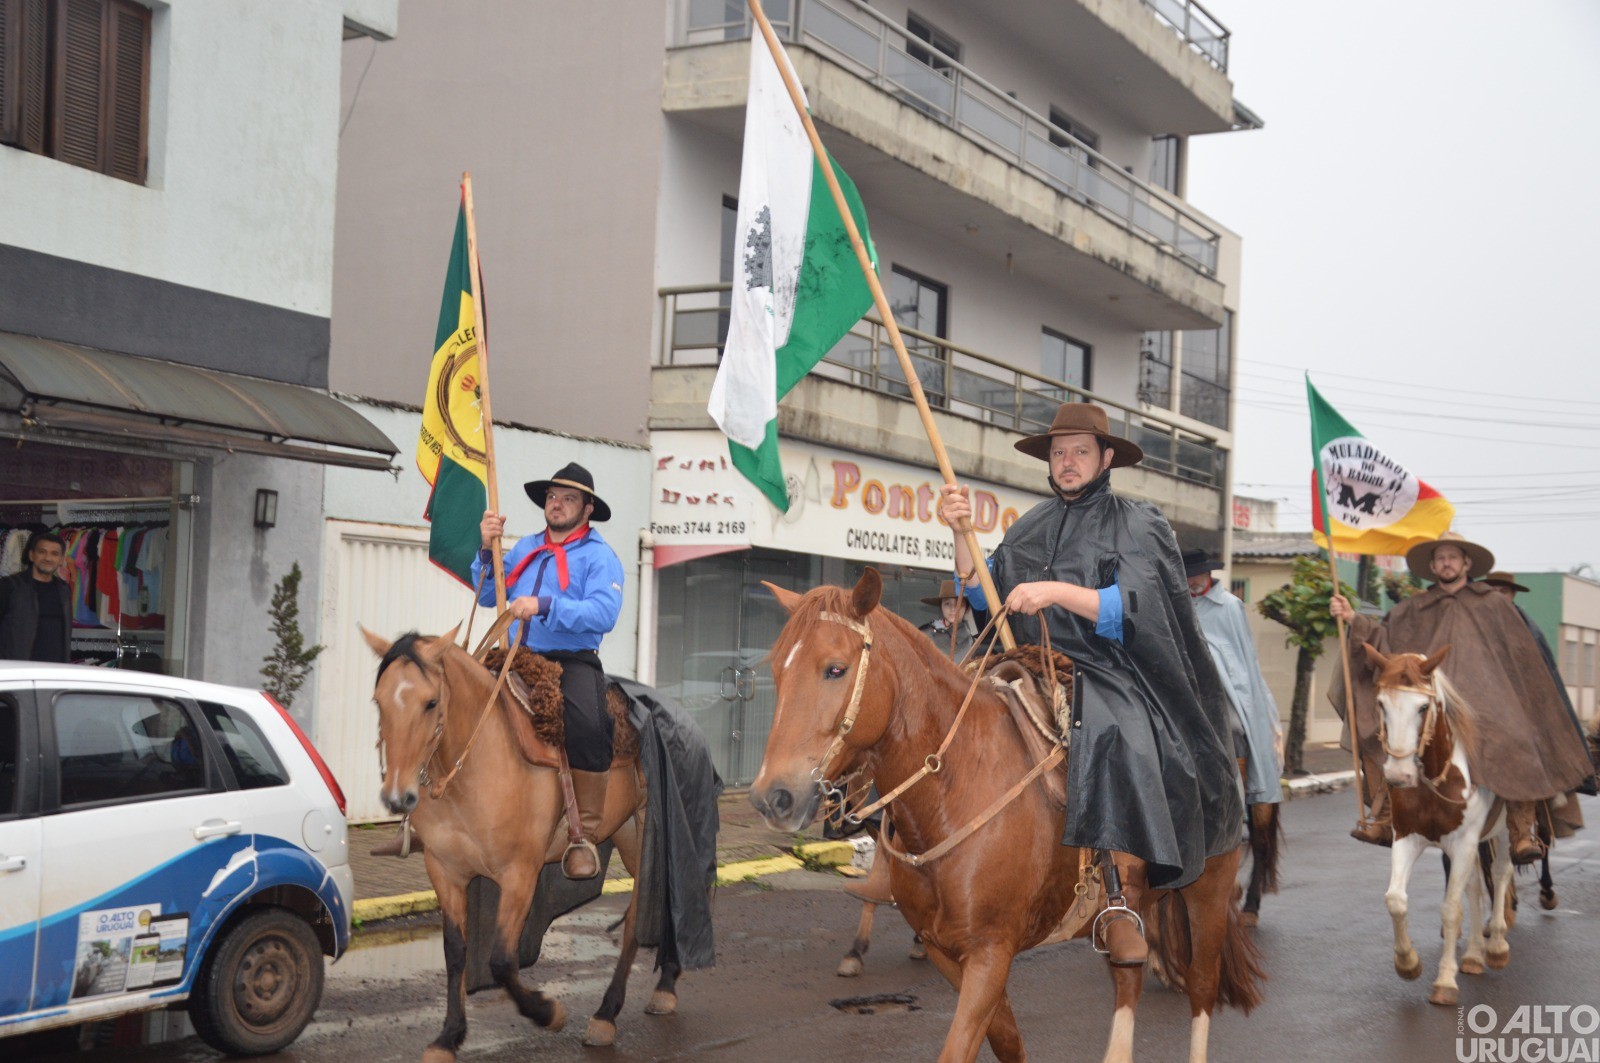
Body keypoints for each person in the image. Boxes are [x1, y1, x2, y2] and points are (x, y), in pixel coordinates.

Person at [938, 403, 1243, 967]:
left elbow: (1137, 607)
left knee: (1117, 728)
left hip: (1111, 669)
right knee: (943, 710)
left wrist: (1054, 591)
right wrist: (961, 536)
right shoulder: (1028, 525)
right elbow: (984, 599)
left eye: (1080, 451)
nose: (1067, 461)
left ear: (1106, 458)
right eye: (1058, 452)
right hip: (1029, 662)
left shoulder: (1139, 521)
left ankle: (1120, 896)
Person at [1329, 534, 1594, 863]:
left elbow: (1520, 658)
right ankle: (1385, 820)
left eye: (1453, 557)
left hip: (1488, 703)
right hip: (1429, 702)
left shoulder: (1493, 604)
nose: (1446, 563)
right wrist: (1354, 619)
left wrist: (1511, 698)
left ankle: (1520, 831)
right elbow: (1386, 645)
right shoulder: (1413, 609)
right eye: (1440, 558)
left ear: (1467, 563)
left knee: (1518, 737)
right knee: (1384, 735)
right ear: (1431, 566)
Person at [1481, 570, 1590, 839]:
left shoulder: (1525, 625)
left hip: (1522, 705)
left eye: (1503, 591)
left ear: (1512, 594)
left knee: (1532, 745)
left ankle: (1535, 816)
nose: (1497, 595)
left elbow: (1538, 671)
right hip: (1480, 702)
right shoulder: (1475, 624)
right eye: (1492, 590)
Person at [1183, 549, 1284, 808]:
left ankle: (1240, 790)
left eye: (1196, 575)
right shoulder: (1177, 605)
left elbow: (1243, 654)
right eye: (1187, 576)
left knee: (1236, 727)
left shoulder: (1229, 605)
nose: (1192, 581)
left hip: (1224, 685)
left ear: (1208, 574)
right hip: (1185, 683)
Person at [0, 531, 73, 663]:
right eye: (42, 552)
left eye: (54, 554)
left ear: (61, 559)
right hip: (18, 671)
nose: (48, 558)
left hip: (55, 672)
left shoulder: (64, 590)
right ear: (31, 555)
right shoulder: (10, 586)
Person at [917, 580, 975, 662]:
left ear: (967, 608)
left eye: (959, 604)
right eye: (947, 603)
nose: (953, 609)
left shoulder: (974, 644)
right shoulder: (922, 635)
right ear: (941, 606)